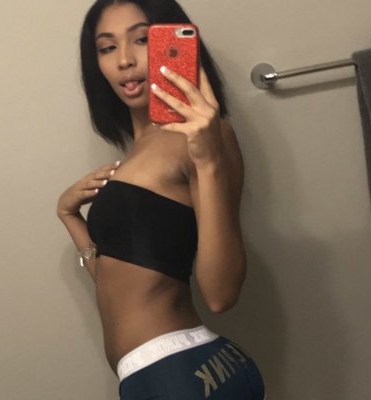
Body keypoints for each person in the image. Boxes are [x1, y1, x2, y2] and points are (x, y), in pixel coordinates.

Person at [57, 0, 266, 398]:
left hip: (180, 375)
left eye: (140, 40)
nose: (124, 60)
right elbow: (118, 287)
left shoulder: (206, 135)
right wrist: (70, 216)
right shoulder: (139, 150)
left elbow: (221, 294)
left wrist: (208, 160)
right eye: (107, 47)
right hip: (157, 374)